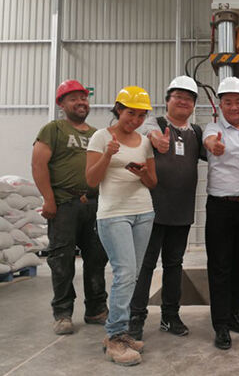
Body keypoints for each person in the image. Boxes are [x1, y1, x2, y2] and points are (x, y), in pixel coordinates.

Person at [129, 76, 206, 340]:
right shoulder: (156, 124)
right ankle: (135, 318)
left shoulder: (195, 132)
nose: (183, 102)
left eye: (189, 98)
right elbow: (143, 129)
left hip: (181, 212)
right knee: (145, 265)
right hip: (151, 211)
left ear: (194, 104)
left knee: (174, 265)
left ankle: (170, 317)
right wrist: (152, 136)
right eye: (178, 97)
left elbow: (216, 147)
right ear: (167, 101)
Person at [86, 86, 157, 366]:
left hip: (143, 212)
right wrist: (107, 155)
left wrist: (142, 174)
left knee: (133, 274)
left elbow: (153, 182)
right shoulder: (101, 137)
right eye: (131, 113)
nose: (135, 120)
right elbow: (91, 181)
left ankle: (121, 332)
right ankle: (115, 337)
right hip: (114, 214)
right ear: (118, 109)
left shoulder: (144, 141)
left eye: (141, 115)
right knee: (125, 272)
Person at [32, 80, 108, 336]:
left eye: (83, 98)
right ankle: (63, 313)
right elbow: (38, 164)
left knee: (97, 259)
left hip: (95, 205)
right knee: (62, 260)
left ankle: (96, 309)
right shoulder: (53, 129)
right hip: (64, 204)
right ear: (62, 104)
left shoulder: (97, 134)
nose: (81, 102)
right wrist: (48, 199)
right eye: (74, 98)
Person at [203, 77, 239, 350]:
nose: (234, 106)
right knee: (220, 266)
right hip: (220, 208)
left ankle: (234, 313)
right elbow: (208, 143)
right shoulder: (213, 129)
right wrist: (214, 147)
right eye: (228, 102)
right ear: (221, 105)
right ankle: (221, 324)